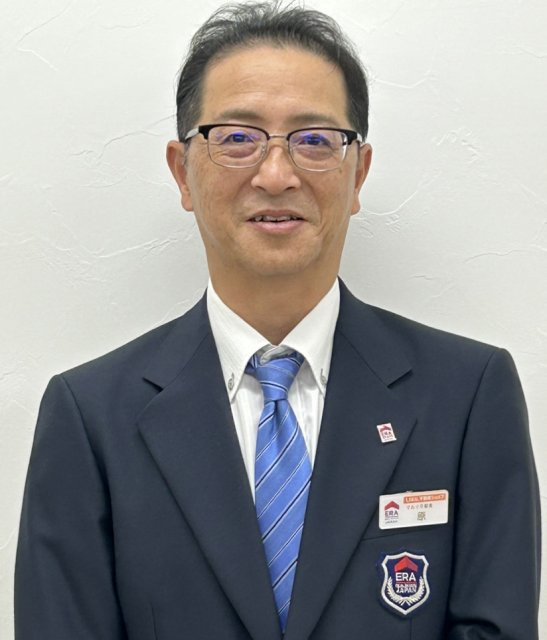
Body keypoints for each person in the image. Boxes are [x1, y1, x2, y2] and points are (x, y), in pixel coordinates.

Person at [14, 2, 540, 639]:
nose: (276, 173)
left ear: (357, 174)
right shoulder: (91, 417)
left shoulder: (467, 394)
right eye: (238, 138)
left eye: (314, 140)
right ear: (183, 172)